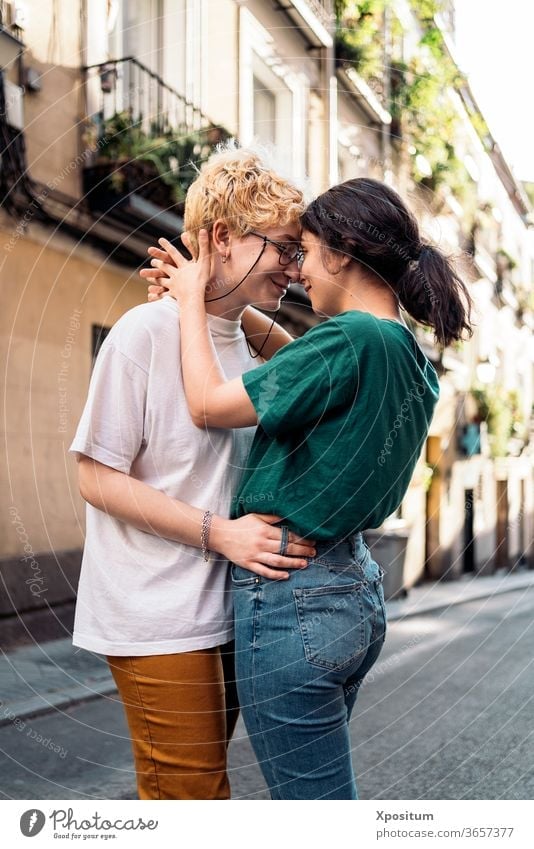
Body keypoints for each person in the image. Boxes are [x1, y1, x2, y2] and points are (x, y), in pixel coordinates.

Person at [148, 176, 473, 799]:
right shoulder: (399, 347)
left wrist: (191, 302)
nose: (298, 273)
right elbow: (305, 369)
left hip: (293, 597)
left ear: (344, 254)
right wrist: (230, 308)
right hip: (350, 589)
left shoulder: (347, 340)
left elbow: (208, 404)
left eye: (307, 251)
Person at [69, 145, 317, 800]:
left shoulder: (244, 339)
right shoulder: (142, 333)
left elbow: (310, 373)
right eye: (284, 247)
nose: (297, 266)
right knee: (194, 798)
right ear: (222, 238)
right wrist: (221, 533)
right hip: (156, 611)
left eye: (300, 251)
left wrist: (207, 301)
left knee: (193, 796)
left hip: (229, 611)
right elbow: (96, 477)